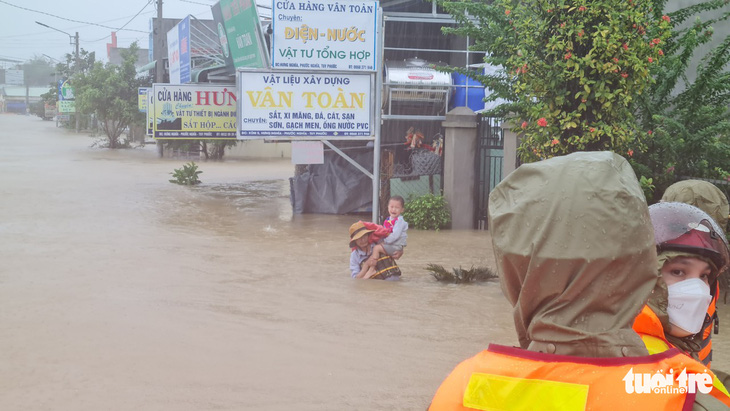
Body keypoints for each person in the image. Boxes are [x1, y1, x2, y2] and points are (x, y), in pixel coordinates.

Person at [428, 152, 730, 410]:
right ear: (636, 261)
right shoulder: (688, 391)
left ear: (512, 267)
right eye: (677, 271)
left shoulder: (462, 386)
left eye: (705, 276)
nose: (698, 289)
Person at [661, 179, 730, 367]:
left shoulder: (710, 273)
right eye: (677, 272)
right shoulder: (652, 269)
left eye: (703, 276)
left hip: (697, 370)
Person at [367, 196, 408, 266]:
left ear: (402, 210)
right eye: (391, 207)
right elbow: (383, 233)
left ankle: (372, 267)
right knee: (373, 244)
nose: (394, 209)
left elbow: (395, 236)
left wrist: (384, 242)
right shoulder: (388, 219)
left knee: (376, 248)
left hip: (396, 247)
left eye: (397, 208)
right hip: (389, 244)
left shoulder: (400, 221)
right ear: (388, 207)